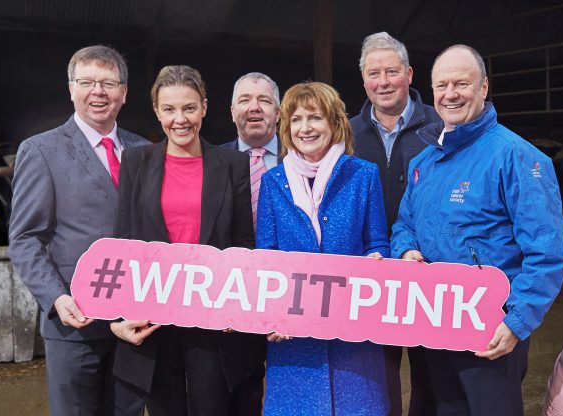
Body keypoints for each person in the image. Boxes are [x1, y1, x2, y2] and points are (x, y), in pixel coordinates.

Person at [391, 45, 563, 415]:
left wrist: (518, 320)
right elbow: (405, 224)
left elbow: (547, 250)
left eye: (462, 83)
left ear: (484, 87)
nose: (451, 94)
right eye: (442, 85)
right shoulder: (425, 162)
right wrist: (406, 250)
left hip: (490, 326)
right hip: (437, 322)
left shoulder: (515, 157)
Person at [108, 65, 265, 415]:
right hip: (154, 324)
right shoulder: (135, 162)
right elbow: (124, 242)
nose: (180, 119)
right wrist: (118, 316)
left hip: (212, 324)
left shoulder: (232, 164)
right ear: (157, 111)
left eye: (189, 108)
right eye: (170, 109)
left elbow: (243, 244)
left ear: (205, 108)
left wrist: (237, 310)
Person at [8, 45, 150, 416]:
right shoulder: (41, 151)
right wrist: (56, 297)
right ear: (71, 89)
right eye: (87, 82)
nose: (98, 92)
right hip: (76, 326)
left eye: (108, 83)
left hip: (134, 324)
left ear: (124, 92)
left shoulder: (145, 151)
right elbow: (25, 238)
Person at [257, 81, 390, 415]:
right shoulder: (273, 182)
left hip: (354, 338)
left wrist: (376, 260)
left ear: (334, 122)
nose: (305, 127)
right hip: (293, 343)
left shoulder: (363, 174)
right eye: (297, 119)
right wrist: (271, 314)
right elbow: (267, 255)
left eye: (314, 117)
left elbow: (377, 242)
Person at [349, 31, 440, 416]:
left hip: (427, 271)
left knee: (431, 378)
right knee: (376, 378)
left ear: (409, 74)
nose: (383, 82)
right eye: (374, 74)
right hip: (370, 276)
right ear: (364, 80)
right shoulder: (346, 133)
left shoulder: (439, 128)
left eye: (392, 72)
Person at [223, 72, 281, 225]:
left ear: (278, 113)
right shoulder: (214, 161)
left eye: (264, 100)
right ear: (233, 113)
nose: (254, 107)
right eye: (245, 100)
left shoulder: (300, 157)